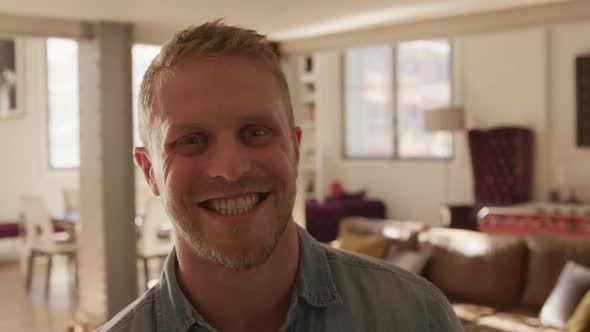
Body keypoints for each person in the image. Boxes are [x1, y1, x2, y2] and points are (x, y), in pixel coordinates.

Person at [98, 20, 462, 332]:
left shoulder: (415, 317)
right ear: (149, 172)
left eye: (255, 132)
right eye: (191, 140)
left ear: (295, 147)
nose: (231, 168)